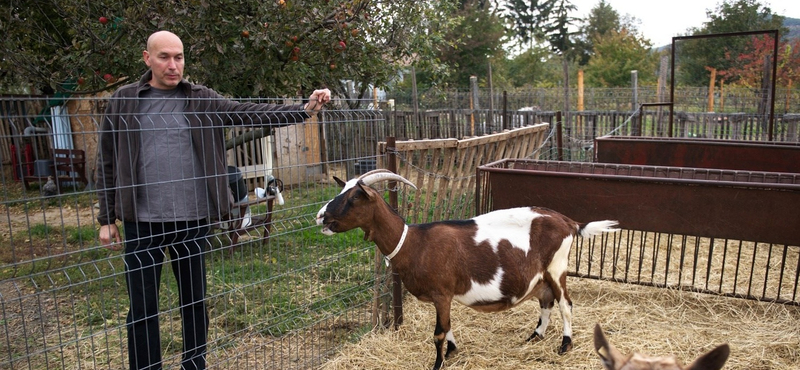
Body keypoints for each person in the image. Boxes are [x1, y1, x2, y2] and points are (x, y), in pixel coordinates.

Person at [96, 30, 330, 370]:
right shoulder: (124, 100)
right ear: (147, 59)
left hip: (192, 220)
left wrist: (303, 110)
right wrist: (106, 219)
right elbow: (106, 161)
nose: (173, 65)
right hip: (141, 221)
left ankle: (195, 365)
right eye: (164, 57)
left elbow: (250, 113)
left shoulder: (201, 99)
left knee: (194, 303)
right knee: (142, 307)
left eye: (178, 57)